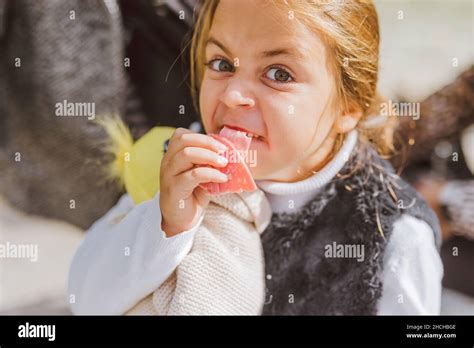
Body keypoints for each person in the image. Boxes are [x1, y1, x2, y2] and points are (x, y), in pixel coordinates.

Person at [69, 0, 443, 315]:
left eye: (278, 73)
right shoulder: (178, 165)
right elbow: (84, 299)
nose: (232, 95)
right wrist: (166, 224)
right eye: (221, 64)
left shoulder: (393, 235)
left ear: (349, 106)